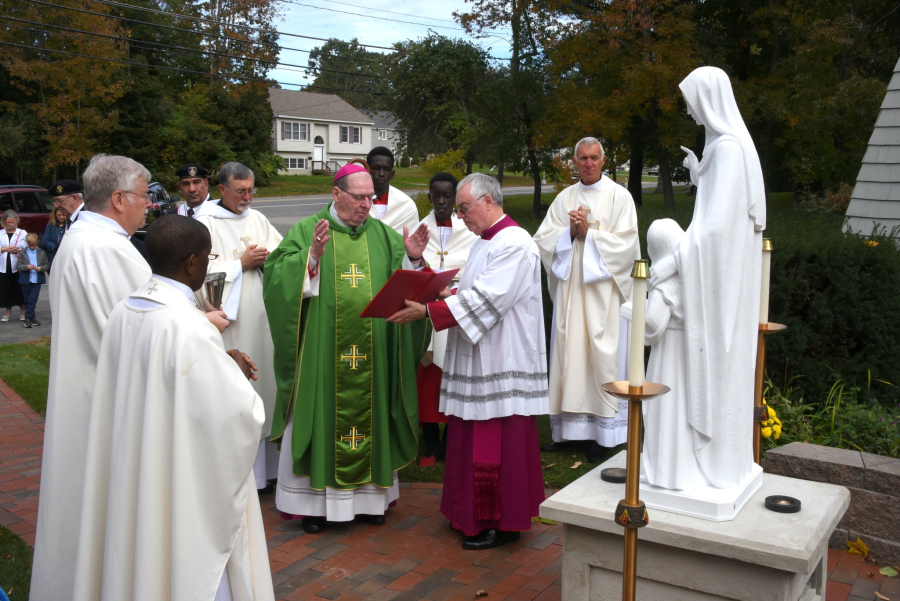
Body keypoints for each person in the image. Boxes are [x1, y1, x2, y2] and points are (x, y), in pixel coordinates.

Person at [73, 216, 274, 601]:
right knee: (185, 555)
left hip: (139, 460)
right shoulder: (189, 325)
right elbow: (236, 415)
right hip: (179, 473)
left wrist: (218, 357)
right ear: (192, 264)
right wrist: (231, 373)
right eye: (207, 256)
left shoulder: (127, 308)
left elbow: (155, 377)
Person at [263, 163, 429, 533]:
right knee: (323, 414)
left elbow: (408, 289)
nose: (367, 204)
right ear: (336, 194)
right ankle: (315, 506)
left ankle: (371, 500)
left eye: (372, 197)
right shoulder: (308, 231)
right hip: (323, 356)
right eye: (359, 197)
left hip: (375, 355)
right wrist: (312, 259)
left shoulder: (385, 237)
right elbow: (276, 280)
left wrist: (414, 259)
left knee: (371, 418)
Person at [388, 173, 548, 551]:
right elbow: (471, 291)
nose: (460, 217)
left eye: (464, 208)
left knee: (494, 443)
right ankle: (470, 515)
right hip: (480, 358)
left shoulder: (515, 243)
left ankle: (500, 521)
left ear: (488, 202)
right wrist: (424, 271)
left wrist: (428, 312)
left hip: (499, 361)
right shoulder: (486, 242)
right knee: (471, 438)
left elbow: (488, 300)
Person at [30, 154, 154, 600]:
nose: (149, 206)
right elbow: (147, 334)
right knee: (105, 511)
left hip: (86, 391)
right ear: (119, 199)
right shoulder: (107, 250)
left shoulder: (80, 240)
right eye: (143, 196)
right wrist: (202, 326)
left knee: (84, 509)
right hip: (108, 402)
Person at [649, 66, 765, 489]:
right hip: (715, 274)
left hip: (718, 287)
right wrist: (700, 173)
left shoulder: (731, 148)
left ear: (707, 100)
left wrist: (670, 263)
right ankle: (707, 464)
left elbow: (715, 230)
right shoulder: (723, 147)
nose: (689, 110)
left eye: (690, 101)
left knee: (715, 369)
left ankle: (712, 465)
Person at [533, 137, 640, 463]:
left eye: (594, 158)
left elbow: (627, 245)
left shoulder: (620, 197)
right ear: (575, 162)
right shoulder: (565, 198)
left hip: (603, 298)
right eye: (583, 158)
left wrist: (588, 235)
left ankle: (602, 437)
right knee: (569, 359)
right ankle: (569, 433)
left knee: (601, 359)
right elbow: (543, 240)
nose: (589, 163)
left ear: (603, 161)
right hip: (571, 296)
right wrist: (567, 233)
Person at [196, 161, 283, 495]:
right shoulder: (205, 223)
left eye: (251, 190)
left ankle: (270, 473)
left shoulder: (257, 218)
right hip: (230, 324)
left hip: (264, 320)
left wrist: (272, 259)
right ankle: (244, 477)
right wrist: (239, 264)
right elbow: (196, 274)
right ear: (222, 190)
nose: (248, 197)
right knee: (238, 394)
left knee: (267, 391)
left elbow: (283, 255)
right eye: (241, 191)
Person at [639, 219, 708, 490]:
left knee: (663, 411)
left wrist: (630, 312)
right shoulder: (692, 275)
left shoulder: (663, 281)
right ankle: (686, 470)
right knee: (684, 410)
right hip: (689, 353)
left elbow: (653, 325)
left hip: (668, 353)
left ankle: (664, 472)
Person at [415, 172, 478, 466]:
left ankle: (450, 438)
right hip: (427, 312)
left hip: (457, 307)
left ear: (454, 198)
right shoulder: (419, 229)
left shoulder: (469, 230)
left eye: (447, 196)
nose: (441, 202)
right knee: (427, 379)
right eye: (436, 196)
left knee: (455, 375)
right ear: (429, 197)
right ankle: (429, 444)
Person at [366, 146, 419, 234]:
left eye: (386, 169)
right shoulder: (355, 201)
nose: (381, 174)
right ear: (367, 171)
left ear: (392, 174)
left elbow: (410, 242)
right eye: (376, 168)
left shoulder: (406, 206)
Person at [16, 232, 49, 328]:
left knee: (33, 299)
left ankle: (28, 318)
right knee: (27, 299)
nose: (31, 247)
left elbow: (46, 265)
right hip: (25, 280)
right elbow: (18, 265)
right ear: (27, 244)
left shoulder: (42, 253)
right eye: (30, 245)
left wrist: (40, 268)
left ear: (37, 242)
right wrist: (27, 267)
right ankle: (30, 317)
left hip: (37, 280)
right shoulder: (22, 253)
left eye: (33, 245)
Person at [0, 210, 27, 322]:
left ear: (16, 221)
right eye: (8, 222)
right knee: (6, 288)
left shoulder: (23, 233)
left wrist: (18, 250)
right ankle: (8, 313)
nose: (10, 224)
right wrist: (4, 249)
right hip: (4, 265)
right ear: (4, 222)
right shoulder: (1, 233)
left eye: (12, 222)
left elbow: (28, 247)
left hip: (18, 265)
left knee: (20, 288)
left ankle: (23, 312)